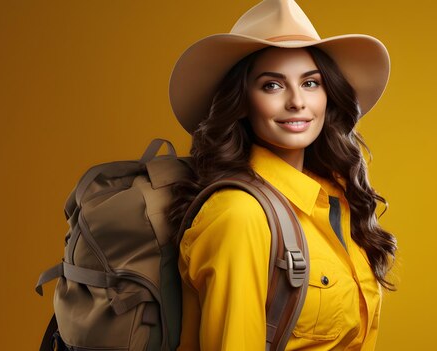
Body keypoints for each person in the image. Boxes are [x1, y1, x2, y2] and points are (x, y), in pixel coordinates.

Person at [168, 0, 397, 350]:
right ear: (242, 101)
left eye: (310, 83)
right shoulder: (239, 215)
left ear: (328, 94)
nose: (296, 102)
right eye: (272, 86)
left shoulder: (333, 197)